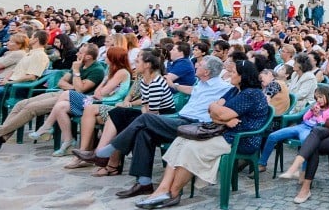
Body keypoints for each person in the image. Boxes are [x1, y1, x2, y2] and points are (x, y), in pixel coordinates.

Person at [70, 56, 230, 198]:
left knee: (146, 118)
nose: (196, 65)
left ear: (207, 72)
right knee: (143, 131)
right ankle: (144, 182)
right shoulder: (201, 84)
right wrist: (176, 86)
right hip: (180, 120)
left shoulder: (224, 88)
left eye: (200, 65)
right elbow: (193, 90)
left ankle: (104, 152)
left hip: (193, 125)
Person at [135, 59, 269, 209]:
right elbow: (213, 112)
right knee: (181, 141)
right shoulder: (234, 90)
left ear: (243, 76)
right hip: (224, 132)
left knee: (191, 148)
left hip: (240, 139)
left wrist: (219, 113)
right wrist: (219, 113)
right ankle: (162, 190)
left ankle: (174, 193)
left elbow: (221, 113)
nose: (230, 74)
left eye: (233, 72)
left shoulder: (251, 94)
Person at [30, 46, 129, 156]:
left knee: (66, 93)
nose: (104, 57)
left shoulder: (121, 72)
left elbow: (98, 92)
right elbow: (97, 92)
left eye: (107, 55)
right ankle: (68, 140)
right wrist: (105, 81)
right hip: (95, 100)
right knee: (61, 106)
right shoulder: (110, 70)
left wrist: (77, 72)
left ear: (114, 58)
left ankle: (47, 127)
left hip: (103, 103)